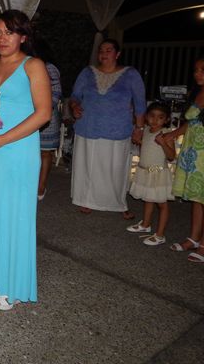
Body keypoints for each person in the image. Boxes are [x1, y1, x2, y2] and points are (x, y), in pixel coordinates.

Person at [0, 10, 51, 310]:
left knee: (15, 215)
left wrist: (3, 139)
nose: (2, 38)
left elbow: (43, 113)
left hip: (18, 150)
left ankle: (14, 285)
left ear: (23, 36)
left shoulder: (33, 66)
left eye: (9, 32)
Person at [69, 38, 146, 219]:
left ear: (117, 54)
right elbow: (74, 96)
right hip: (88, 126)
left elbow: (140, 103)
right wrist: (74, 107)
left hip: (117, 129)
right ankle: (86, 200)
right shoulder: (87, 72)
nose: (104, 54)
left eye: (109, 50)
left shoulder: (131, 74)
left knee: (116, 168)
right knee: (88, 166)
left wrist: (139, 128)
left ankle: (119, 203)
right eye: (101, 50)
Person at [163, 57, 204, 262]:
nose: (197, 74)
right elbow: (192, 122)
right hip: (193, 151)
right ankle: (194, 238)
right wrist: (173, 134)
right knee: (196, 196)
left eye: (202, 70)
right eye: (196, 70)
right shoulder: (197, 93)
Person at [126, 101, 175, 245]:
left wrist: (163, 143)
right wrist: (139, 141)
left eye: (160, 117)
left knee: (162, 204)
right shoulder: (146, 130)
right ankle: (145, 225)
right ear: (147, 117)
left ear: (166, 119)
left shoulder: (166, 134)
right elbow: (147, 148)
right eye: (152, 116)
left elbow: (171, 156)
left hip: (158, 174)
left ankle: (160, 235)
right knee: (148, 199)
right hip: (145, 172)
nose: (155, 120)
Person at [33, 38, 62, 200]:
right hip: (29, 115)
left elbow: (56, 93)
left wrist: (43, 109)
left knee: (45, 153)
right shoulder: (26, 66)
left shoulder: (50, 68)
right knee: (32, 151)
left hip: (46, 117)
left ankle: (41, 186)